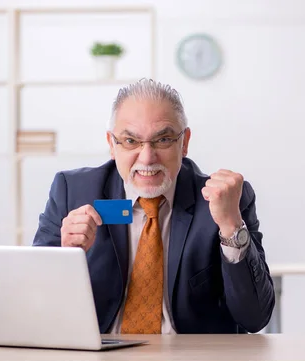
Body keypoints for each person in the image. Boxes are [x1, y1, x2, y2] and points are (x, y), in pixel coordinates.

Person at [33, 79, 274, 334]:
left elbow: (255, 318)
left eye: (163, 140)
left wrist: (231, 226)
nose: (147, 157)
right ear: (111, 144)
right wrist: (64, 256)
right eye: (130, 141)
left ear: (185, 143)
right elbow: (33, 305)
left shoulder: (224, 200)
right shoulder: (73, 191)